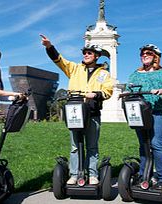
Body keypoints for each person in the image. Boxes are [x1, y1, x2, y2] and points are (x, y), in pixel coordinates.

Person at [40, 34, 113, 185]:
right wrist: (49, 47)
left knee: (92, 145)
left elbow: (108, 91)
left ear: (97, 56)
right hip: (75, 112)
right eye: (84, 53)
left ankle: (92, 174)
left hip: (92, 113)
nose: (86, 55)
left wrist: (96, 94)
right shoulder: (74, 69)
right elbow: (58, 60)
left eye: (89, 53)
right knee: (75, 146)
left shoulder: (104, 74)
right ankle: (74, 174)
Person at [127, 44, 162, 189]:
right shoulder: (135, 74)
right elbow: (128, 89)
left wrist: (161, 91)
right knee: (144, 144)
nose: (144, 55)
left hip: (159, 110)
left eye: (148, 53)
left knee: (156, 143)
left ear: (156, 56)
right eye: (143, 54)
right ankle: (145, 175)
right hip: (140, 111)